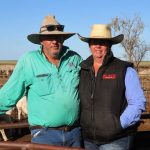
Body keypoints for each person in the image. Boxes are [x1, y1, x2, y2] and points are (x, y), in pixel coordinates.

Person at [0, 15, 83, 147]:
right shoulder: (29, 61)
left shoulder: (74, 58)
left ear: (63, 39)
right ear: (41, 40)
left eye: (58, 37)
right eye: (50, 37)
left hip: (75, 133)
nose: (54, 41)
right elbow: (8, 95)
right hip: (45, 136)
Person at [78, 24, 146, 150]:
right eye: (94, 42)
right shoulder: (82, 70)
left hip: (116, 139)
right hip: (88, 140)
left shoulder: (124, 70)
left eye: (102, 42)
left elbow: (137, 102)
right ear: (89, 45)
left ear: (109, 45)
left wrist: (119, 125)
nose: (98, 46)